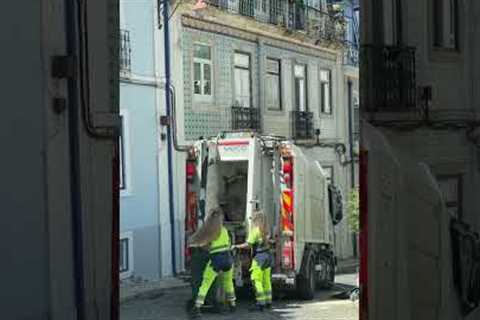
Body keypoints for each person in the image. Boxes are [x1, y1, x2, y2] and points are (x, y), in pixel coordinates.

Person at [187, 207, 236, 318]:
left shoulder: (210, 231)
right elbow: (227, 244)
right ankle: (233, 305)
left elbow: (203, 245)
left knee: (206, 283)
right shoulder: (224, 230)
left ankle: (197, 307)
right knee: (228, 283)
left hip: (216, 261)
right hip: (228, 259)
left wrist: (194, 244)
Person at [234, 209, 273, 311]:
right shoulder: (266, 230)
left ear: (256, 220)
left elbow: (248, 245)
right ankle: (268, 302)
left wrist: (237, 246)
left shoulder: (255, 231)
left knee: (256, 279)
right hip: (268, 257)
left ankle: (260, 303)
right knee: (266, 280)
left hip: (259, 258)